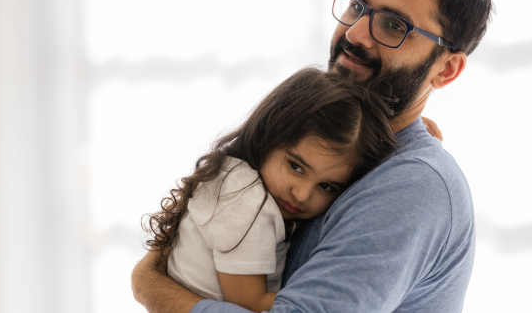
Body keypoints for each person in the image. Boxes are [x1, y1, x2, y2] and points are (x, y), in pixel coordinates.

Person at [132, 0, 494, 312]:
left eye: (393, 25)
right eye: (357, 7)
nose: (355, 34)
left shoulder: (412, 186)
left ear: (445, 70)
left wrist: (149, 284)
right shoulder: (338, 146)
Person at [142, 68, 397, 312]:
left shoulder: (235, 175)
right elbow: (248, 302)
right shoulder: (245, 198)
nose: (302, 194)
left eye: (326, 186)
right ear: (269, 134)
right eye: (296, 167)